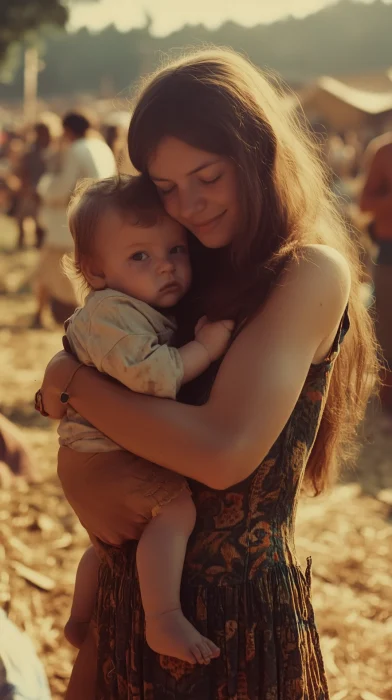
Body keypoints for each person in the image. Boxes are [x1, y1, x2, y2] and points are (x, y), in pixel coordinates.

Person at [36, 49, 378, 700]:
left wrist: (73, 380)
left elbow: (221, 453)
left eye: (206, 176)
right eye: (165, 187)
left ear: (257, 155)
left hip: (230, 621)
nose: (187, 205)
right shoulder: (183, 263)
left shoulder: (307, 270)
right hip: (129, 595)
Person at [59, 174, 232, 666]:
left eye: (176, 250)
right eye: (139, 256)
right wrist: (206, 346)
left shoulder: (130, 305)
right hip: (102, 458)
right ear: (94, 273)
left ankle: (79, 618)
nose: (166, 266)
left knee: (111, 548)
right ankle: (164, 620)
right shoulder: (111, 313)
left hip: (93, 460)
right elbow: (154, 377)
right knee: (174, 513)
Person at [33, 111, 117, 328]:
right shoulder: (101, 147)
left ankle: (48, 317)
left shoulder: (76, 149)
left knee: (49, 271)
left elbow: (64, 187)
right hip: (97, 220)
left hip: (68, 225)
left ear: (68, 130)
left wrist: (45, 187)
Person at [359, 131, 392, 422]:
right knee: (387, 329)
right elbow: (364, 203)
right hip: (390, 252)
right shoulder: (384, 151)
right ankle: (388, 398)